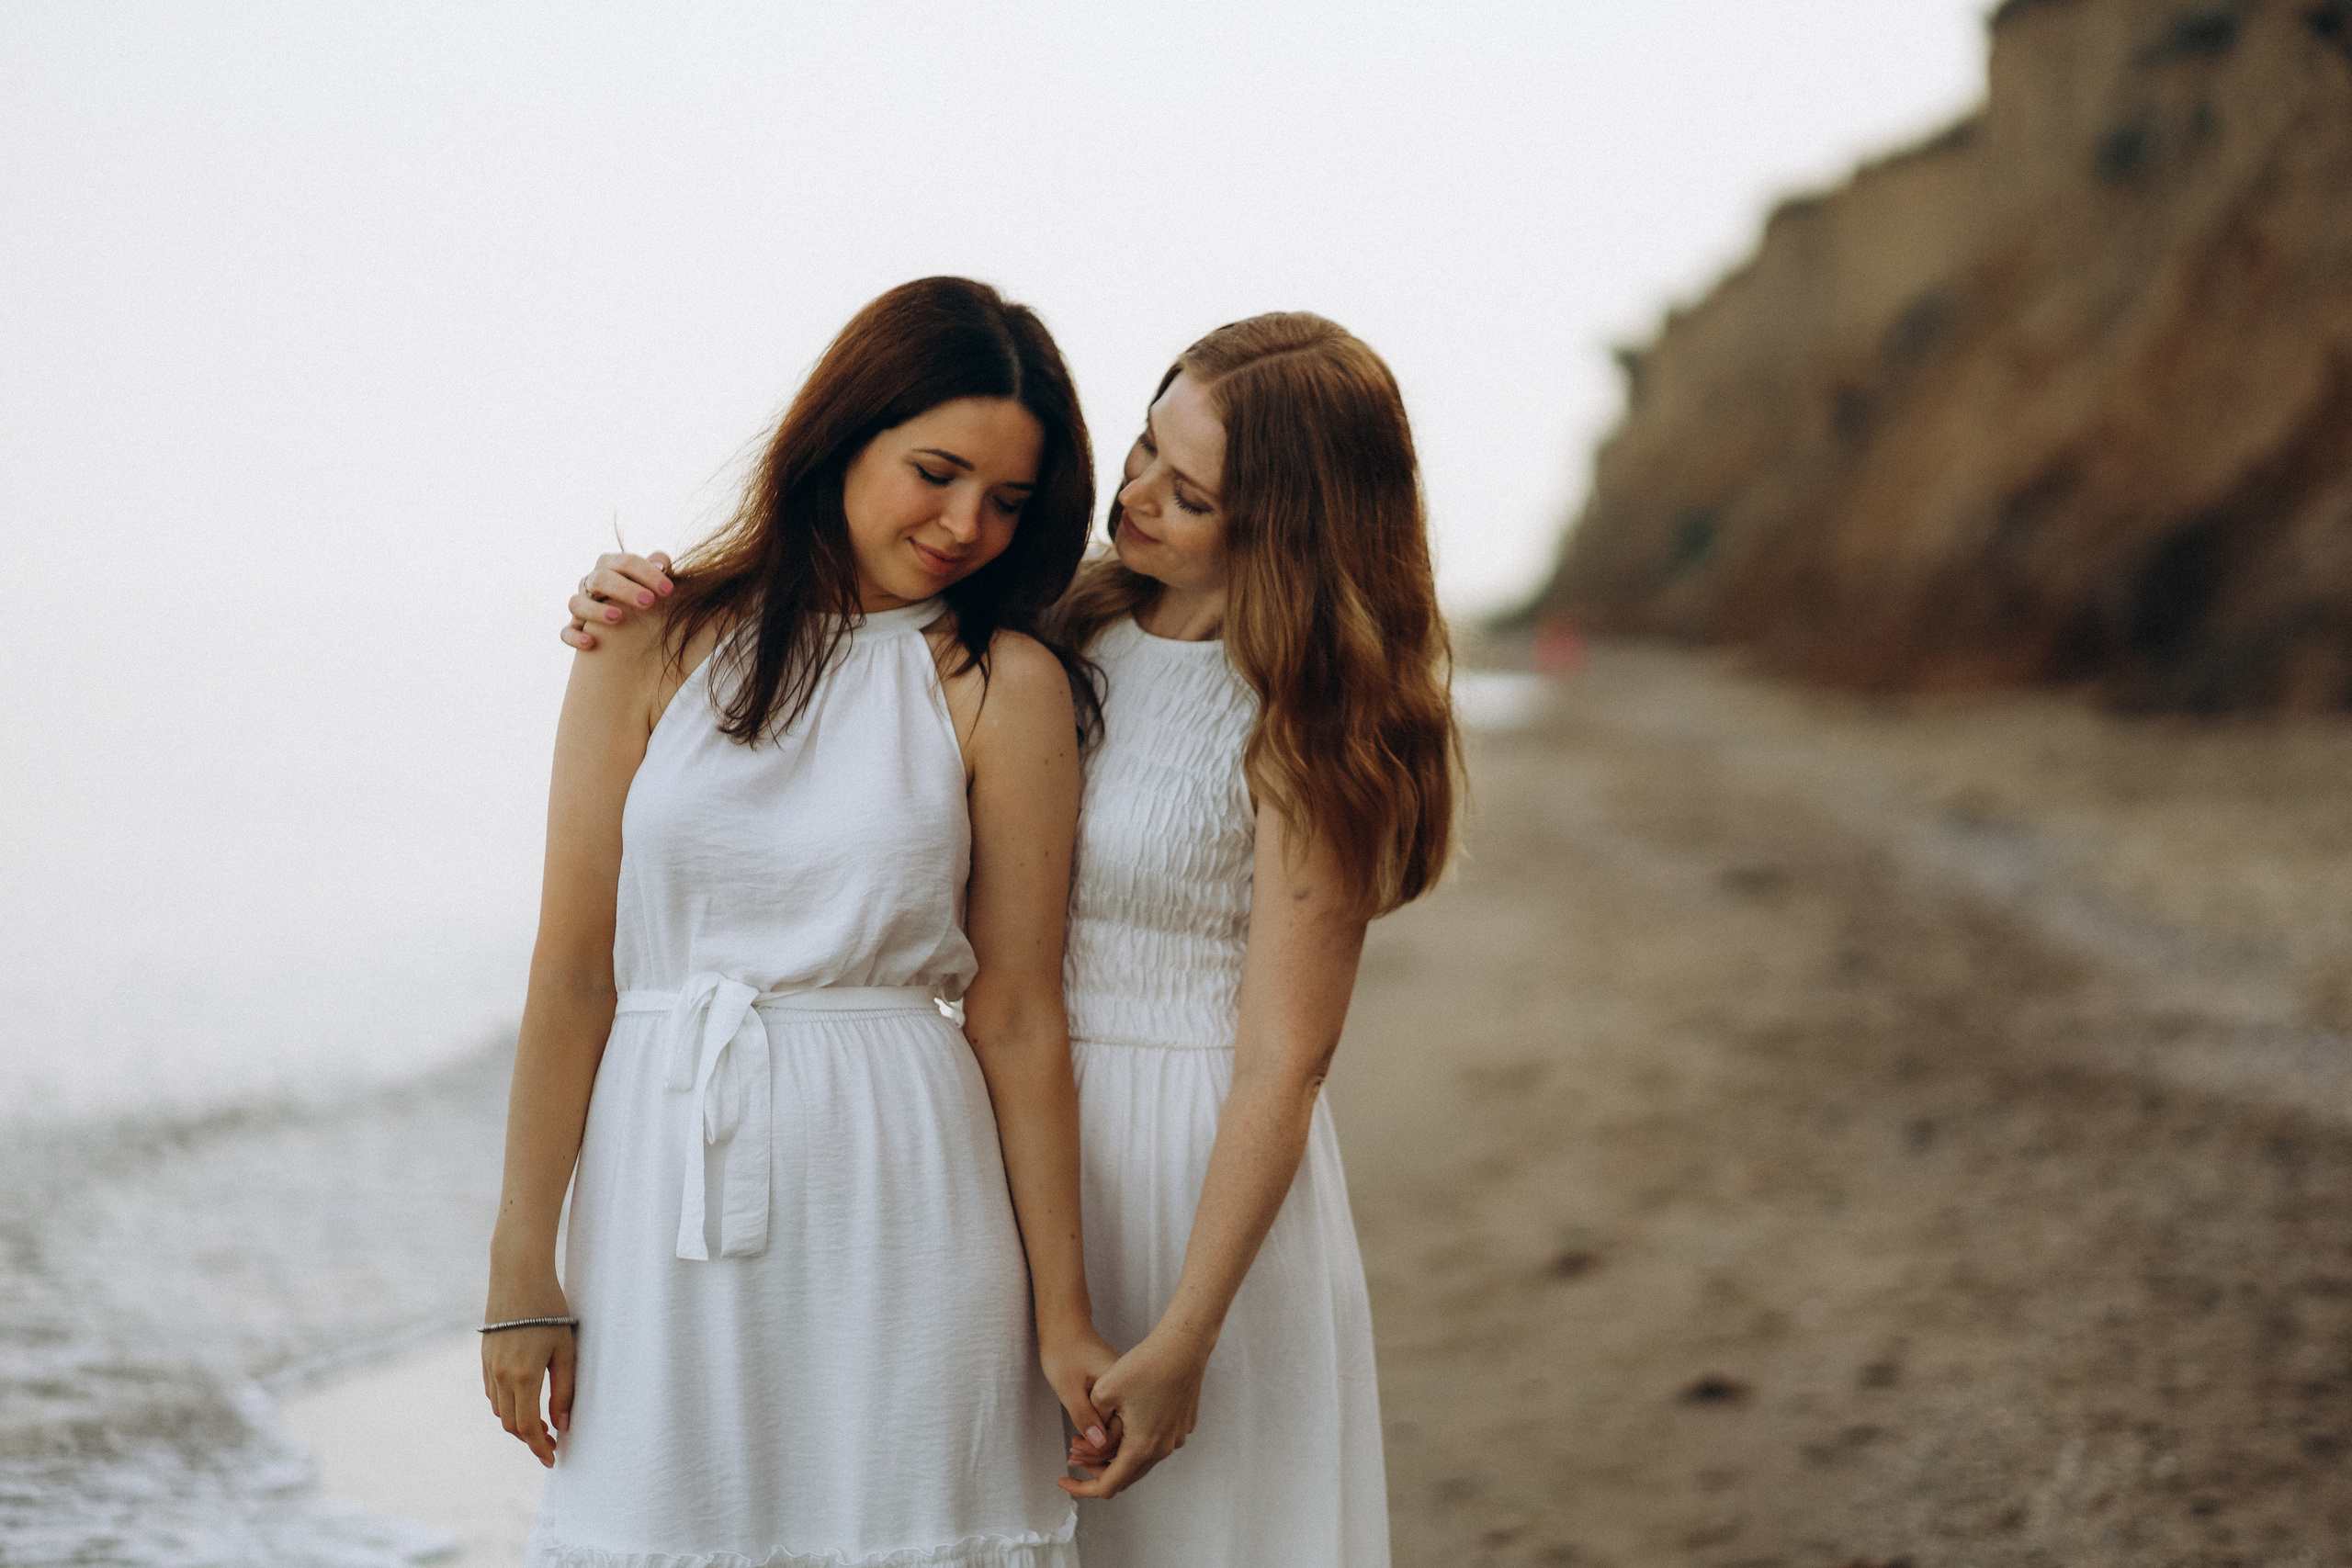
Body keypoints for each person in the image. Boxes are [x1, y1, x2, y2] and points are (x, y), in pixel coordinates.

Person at [565, 312, 1458, 1567]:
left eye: (1187, 492)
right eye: (1145, 449)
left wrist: (1190, 1331)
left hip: (1192, 1181)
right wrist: (640, 601)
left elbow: (1285, 1061)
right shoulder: (1058, 633)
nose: (1133, 497)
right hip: (996, 1154)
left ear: (1288, 529)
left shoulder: (1310, 722)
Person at [490, 276, 1116, 1568]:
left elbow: (1014, 1016)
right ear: (840, 436)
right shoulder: (644, 641)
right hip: (665, 1170)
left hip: (899, 1176)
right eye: (936, 472)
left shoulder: (1004, 684)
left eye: (1008, 500)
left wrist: (1064, 1317)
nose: (964, 526)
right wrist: (520, 1266)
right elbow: (569, 975)